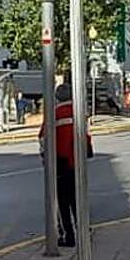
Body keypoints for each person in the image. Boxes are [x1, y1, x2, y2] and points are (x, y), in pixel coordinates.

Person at [38, 83, 90, 248]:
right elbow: (86, 135)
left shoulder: (55, 113)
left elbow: (43, 138)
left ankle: (68, 235)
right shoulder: (80, 112)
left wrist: (45, 157)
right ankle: (84, 232)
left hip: (60, 162)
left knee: (62, 202)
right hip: (77, 162)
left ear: (56, 97)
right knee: (78, 199)